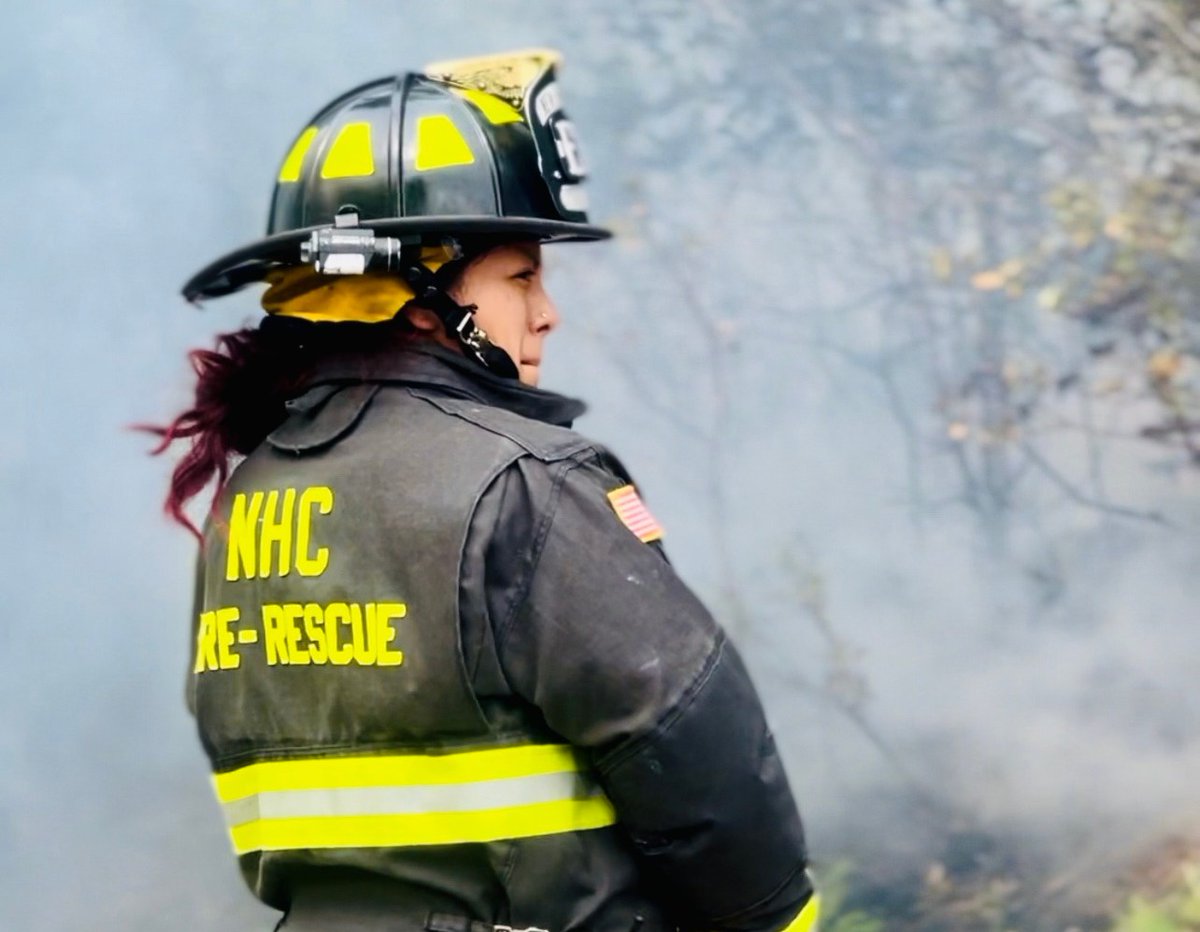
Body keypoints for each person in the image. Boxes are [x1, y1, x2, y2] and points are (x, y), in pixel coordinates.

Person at [153, 50, 819, 932]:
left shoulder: (252, 498)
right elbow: (691, 744)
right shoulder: (527, 484)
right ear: (423, 299)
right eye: (520, 277)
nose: (547, 314)